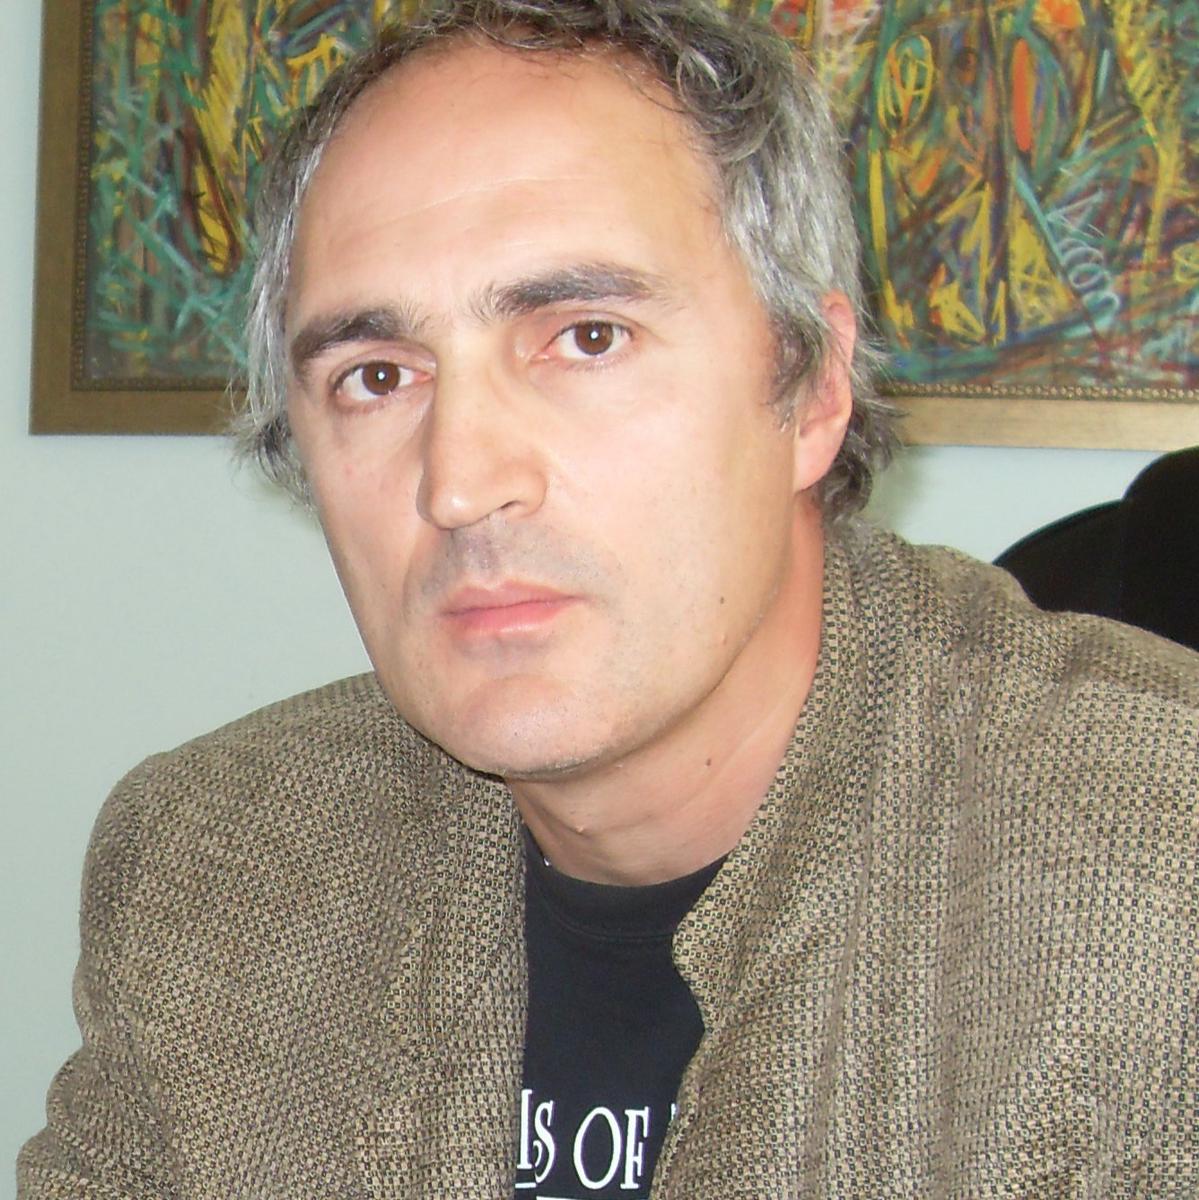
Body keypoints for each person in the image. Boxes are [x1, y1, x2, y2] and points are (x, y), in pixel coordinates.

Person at [18, 1, 1199, 1196]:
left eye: (586, 338)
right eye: (376, 376)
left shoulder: (1155, 872)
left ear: (808, 390)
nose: (460, 481)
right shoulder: (216, 859)